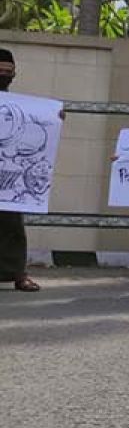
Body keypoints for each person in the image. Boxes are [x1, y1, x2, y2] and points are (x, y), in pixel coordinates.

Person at [0, 48, 41, 293]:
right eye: (0, 71)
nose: (4, 75)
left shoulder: (17, 106)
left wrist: (54, 119)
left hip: (8, 174)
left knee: (13, 223)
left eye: (8, 71)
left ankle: (18, 274)